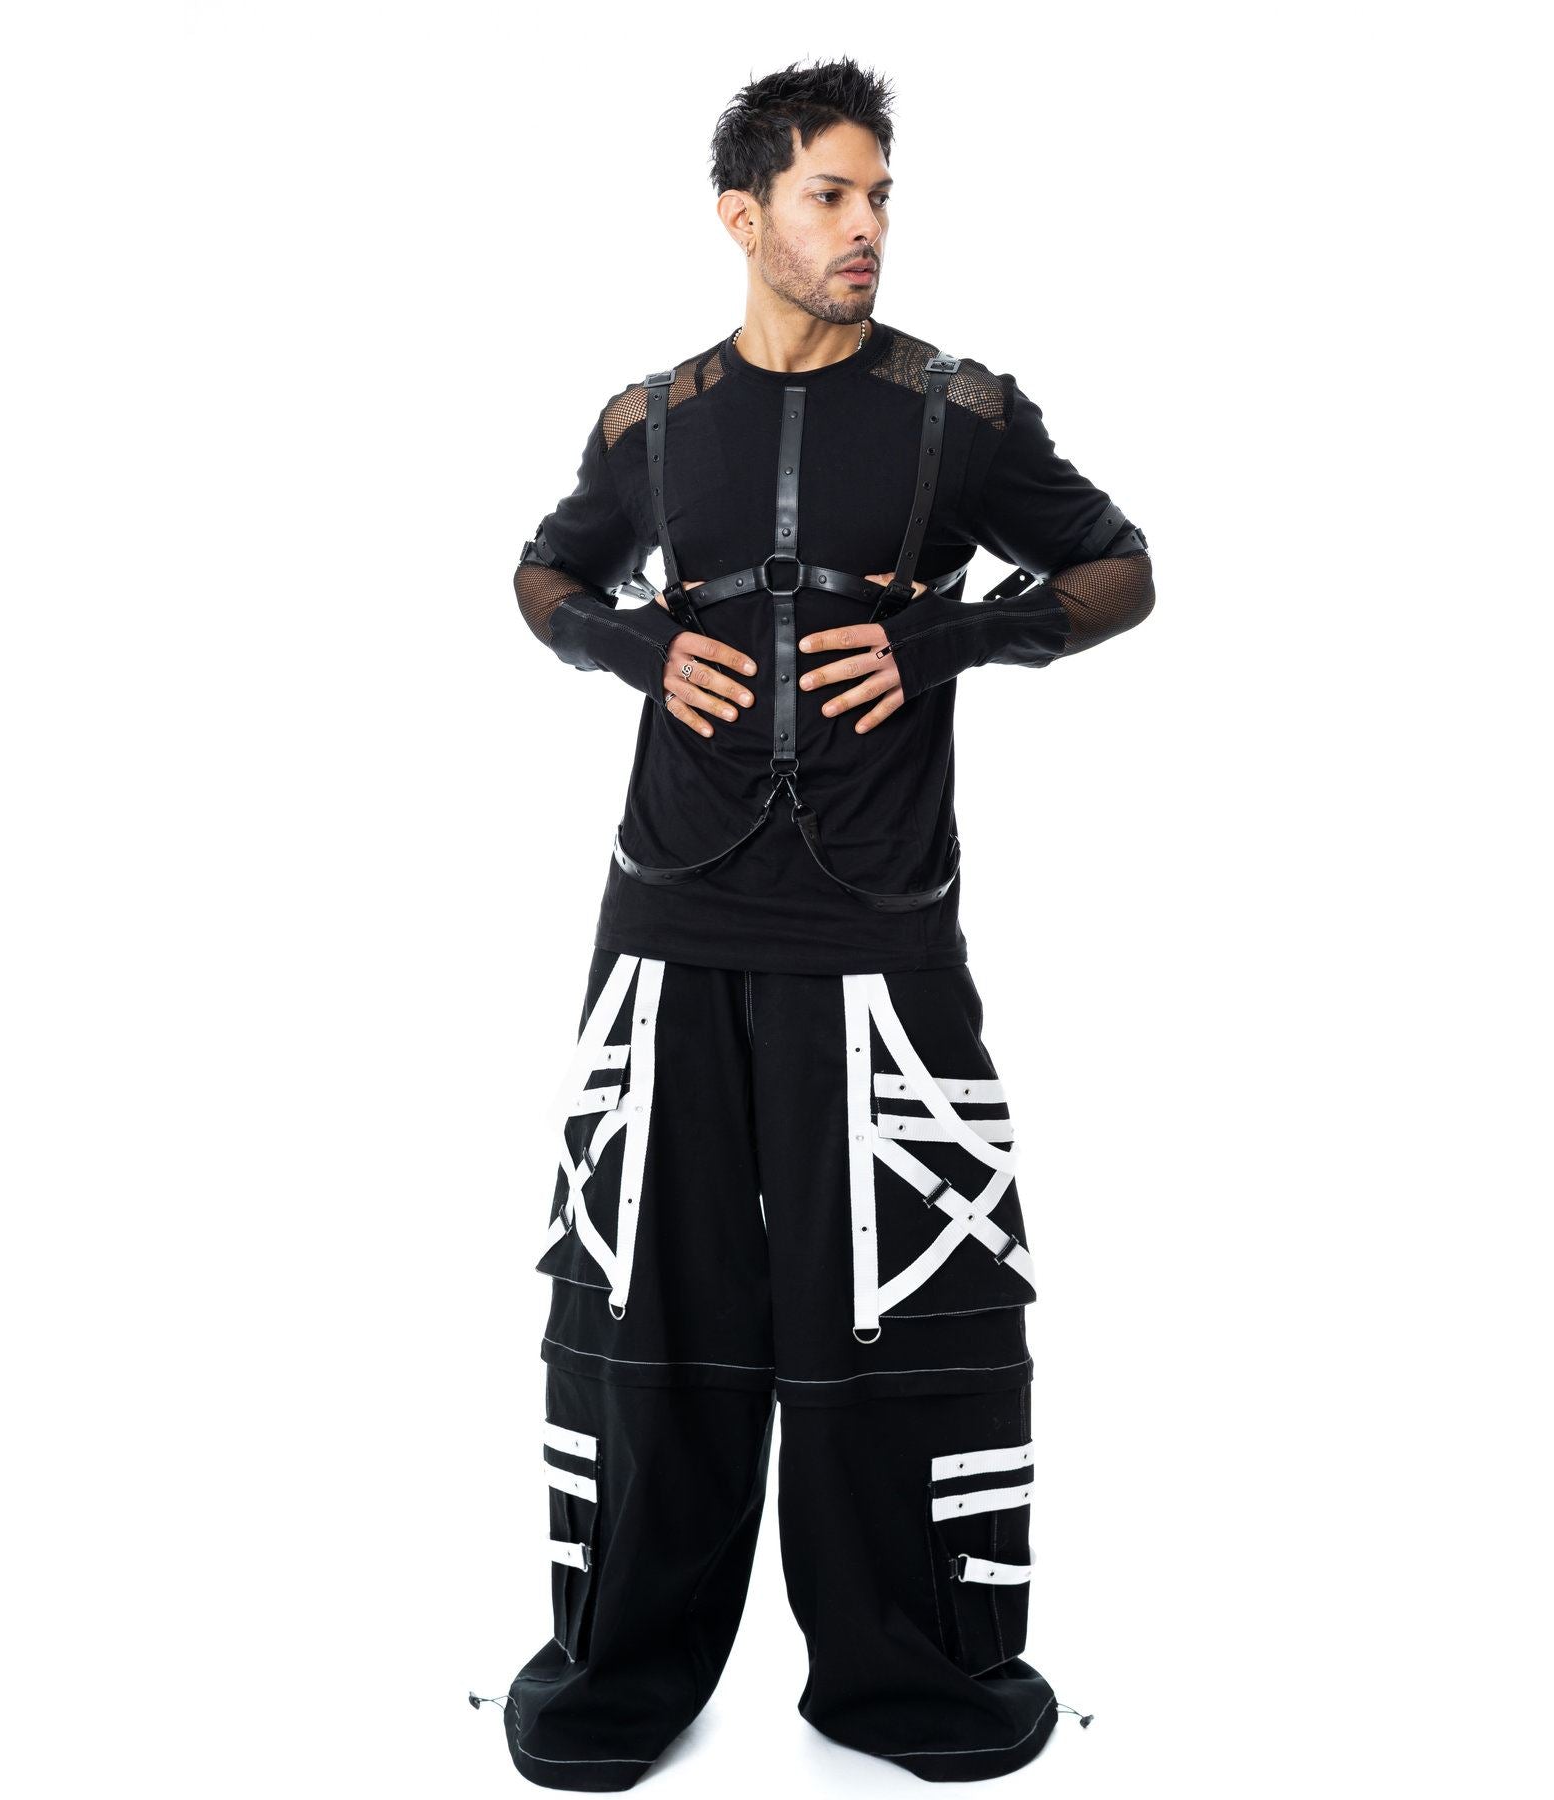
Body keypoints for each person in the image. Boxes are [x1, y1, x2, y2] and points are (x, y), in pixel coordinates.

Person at [487, 57, 1153, 1789]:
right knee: (646, 1303)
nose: (866, 228)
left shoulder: (956, 414)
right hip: (668, 921)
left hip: (878, 927)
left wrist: (950, 638)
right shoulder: (650, 424)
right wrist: (631, 643)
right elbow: (543, 574)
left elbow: (1120, 567)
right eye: (830, 197)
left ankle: (908, 1675)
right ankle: (625, 1669)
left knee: (909, 1301)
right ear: (745, 215)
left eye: (879, 198)